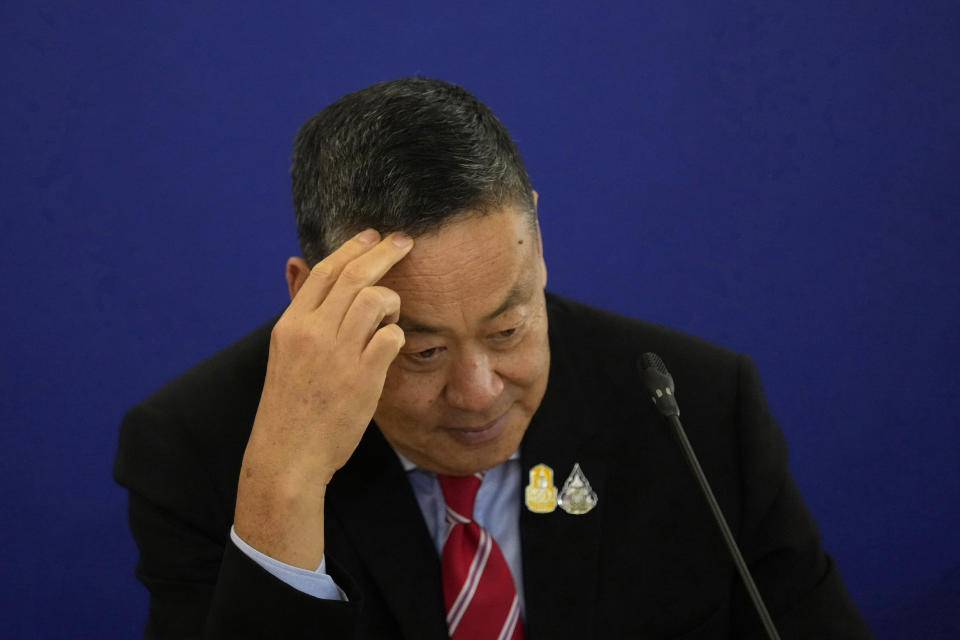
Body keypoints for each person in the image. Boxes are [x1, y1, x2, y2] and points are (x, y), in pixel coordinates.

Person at [114, 77, 872, 639]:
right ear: (313, 299)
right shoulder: (199, 447)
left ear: (537, 243)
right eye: (423, 349)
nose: (478, 393)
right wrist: (286, 482)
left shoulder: (693, 406)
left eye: (508, 330)